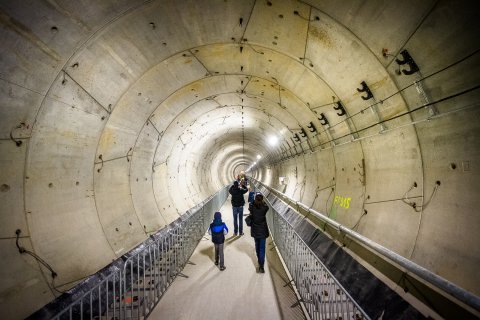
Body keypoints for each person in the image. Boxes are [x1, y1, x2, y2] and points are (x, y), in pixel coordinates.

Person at [248, 193, 269, 273]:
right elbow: (267, 207)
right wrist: (262, 202)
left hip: (255, 230)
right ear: (262, 199)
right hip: (263, 231)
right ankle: (261, 266)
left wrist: (254, 201)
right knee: (262, 248)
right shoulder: (264, 208)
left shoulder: (252, 207)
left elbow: (250, 205)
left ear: (255, 199)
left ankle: (259, 260)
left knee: (257, 245)